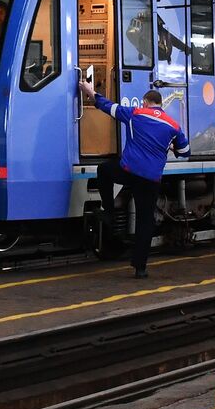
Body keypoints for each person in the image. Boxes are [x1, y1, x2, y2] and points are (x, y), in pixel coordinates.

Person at [77, 80, 189, 278]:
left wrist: (89, 90)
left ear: (145, 102)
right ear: (160, 105)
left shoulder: (135, 114)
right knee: (145, 221)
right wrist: (172, 148)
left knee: (104, 170)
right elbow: (185, 151)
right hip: (151, 179)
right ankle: (140, 268)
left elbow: (106, 106)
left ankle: (109, 211)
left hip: (129, 171)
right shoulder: (173, 126)